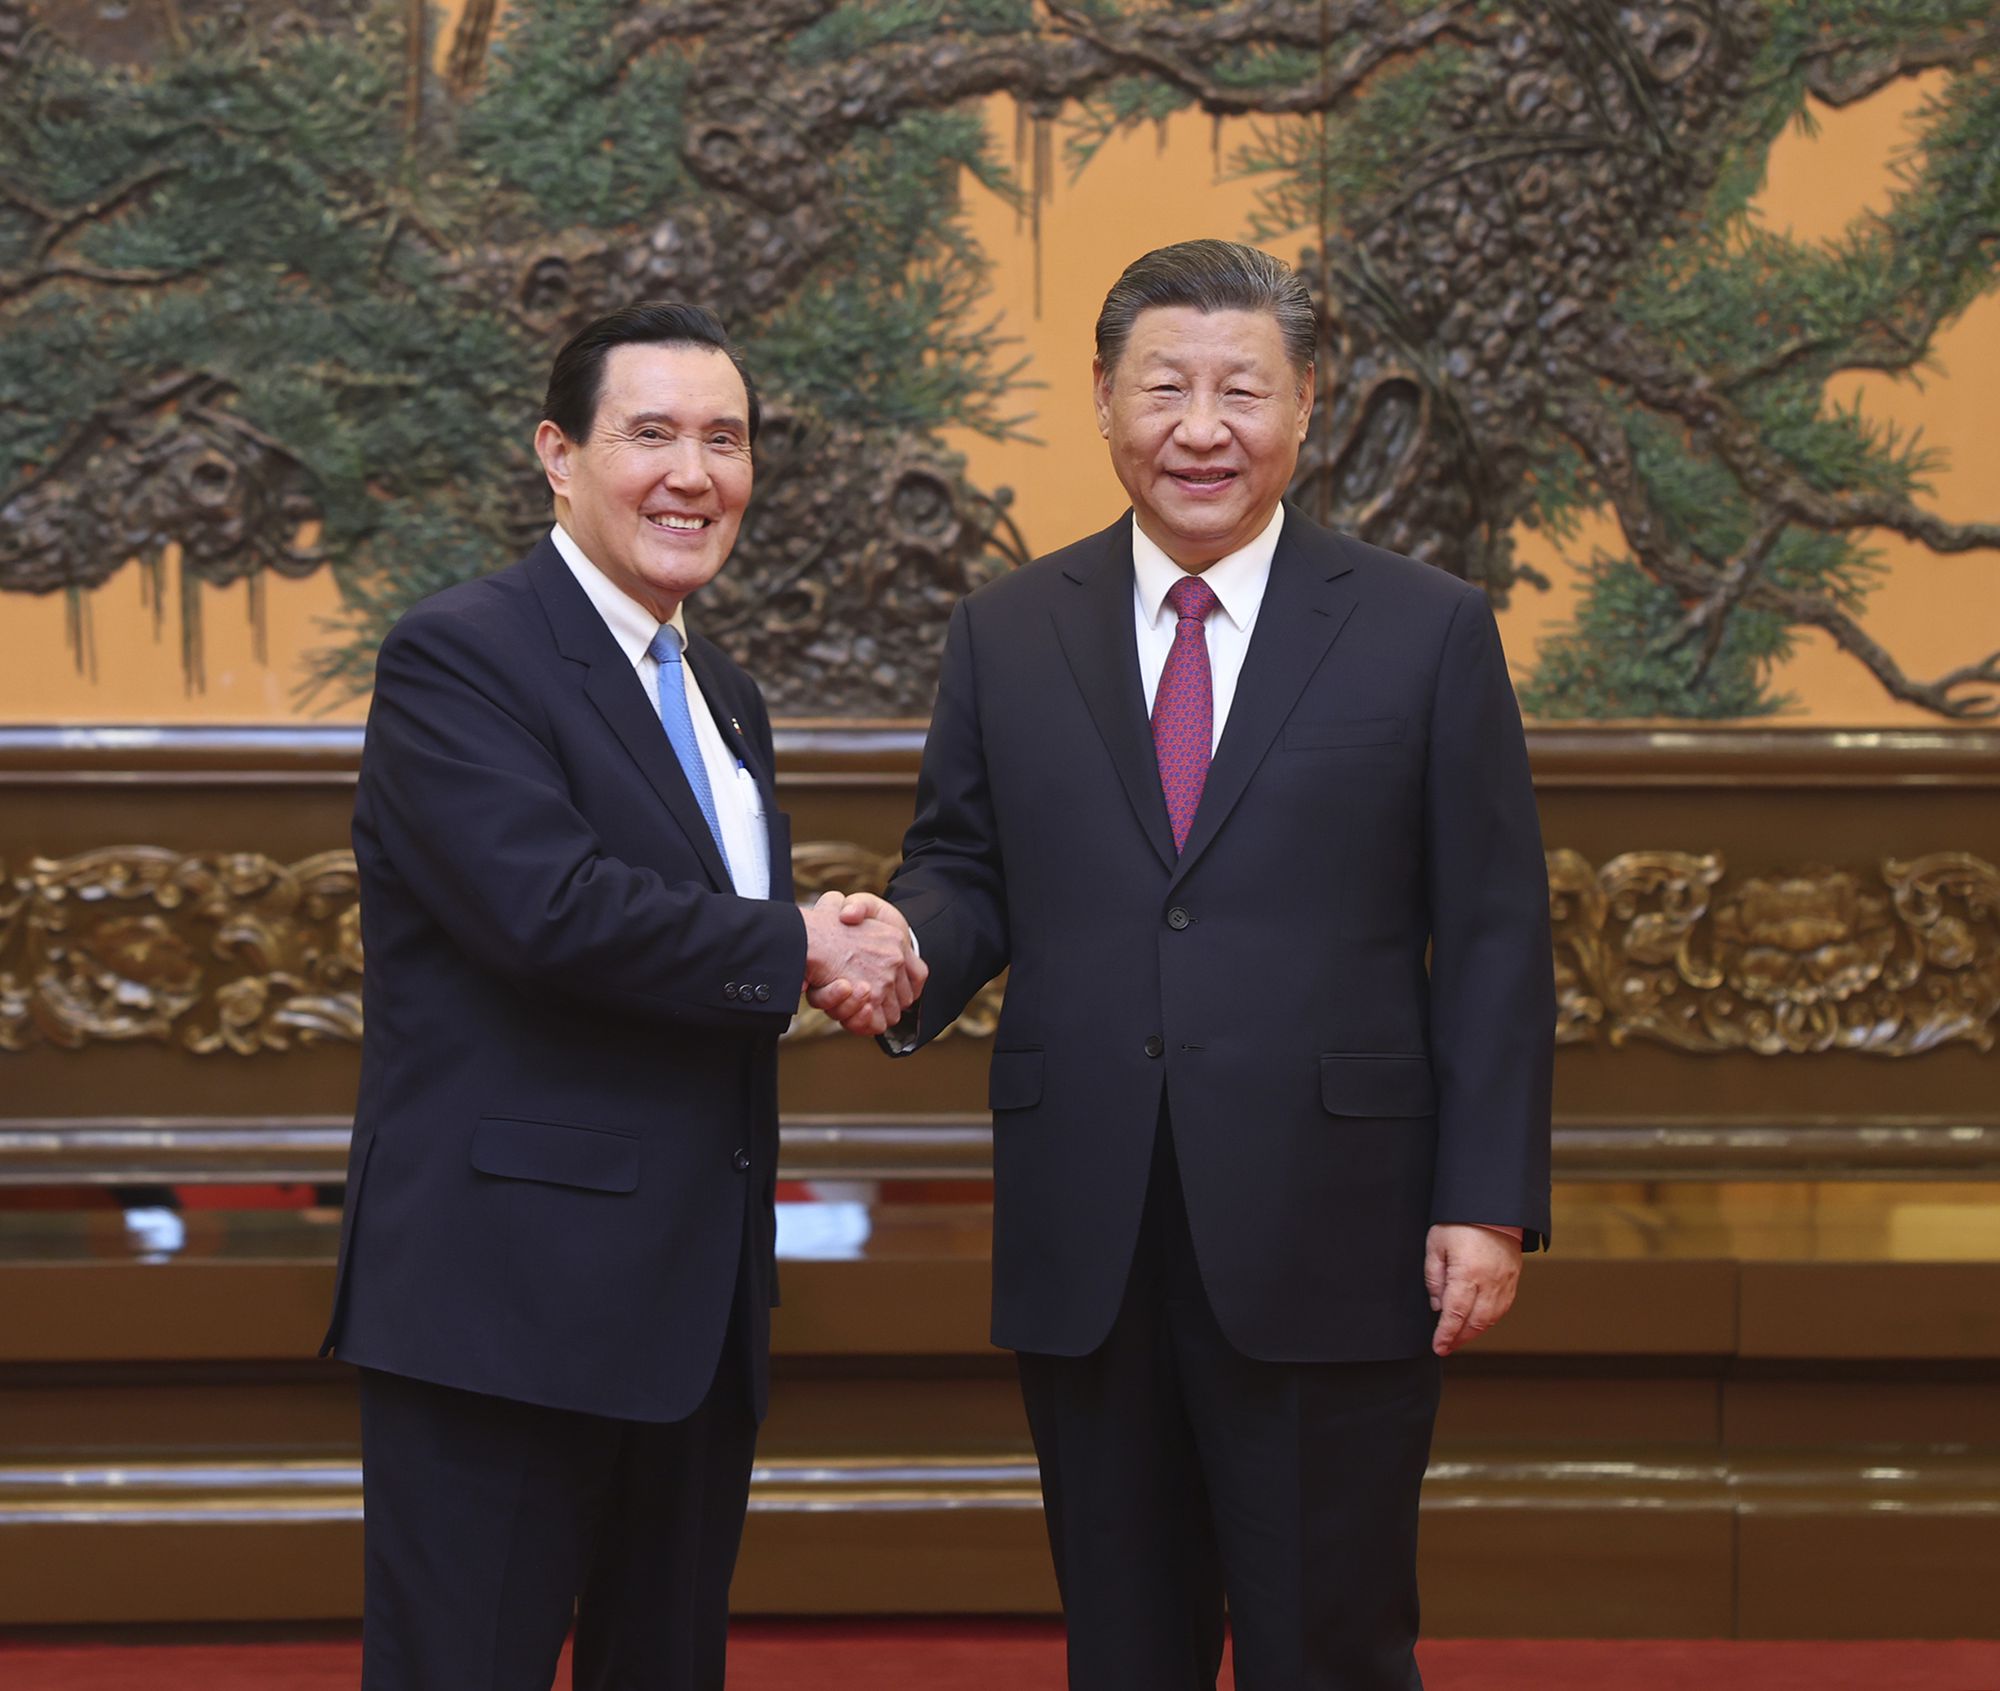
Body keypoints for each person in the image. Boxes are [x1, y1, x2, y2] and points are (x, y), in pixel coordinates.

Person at [816, 241, 1553, 1690]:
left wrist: (1489, 1202)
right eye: (1164, 387)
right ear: (1102, 402)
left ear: (1306, 406)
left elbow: (1490, 933)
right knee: (1123, 1643)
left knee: (1328, 1641)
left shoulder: (1427, 631)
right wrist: (903, 944)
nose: (1200, 428)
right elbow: (965, 867)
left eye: (1240, 390)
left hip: (1334, 1219)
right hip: (1092, 1220)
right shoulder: (1009, 632)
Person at [322, 301, 923, 1691]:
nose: (693, 474)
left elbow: (701, 951)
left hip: (690, 1318)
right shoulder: (461, 654)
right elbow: (548, 910)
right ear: (558, 453)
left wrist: (825, 945)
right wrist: (804, 945)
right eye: (650, 434)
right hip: (504, 1311)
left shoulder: (724, 693)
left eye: (725, 439)